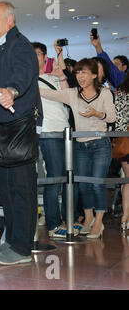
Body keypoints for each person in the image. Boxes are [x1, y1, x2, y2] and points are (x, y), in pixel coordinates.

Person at [0, 2, 41, 265]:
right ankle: (11, 241)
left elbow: (24, 74)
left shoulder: (20, 45)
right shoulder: (0, 49)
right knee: (6, 189)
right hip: (1, 129)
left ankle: (22, 249)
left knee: (22, 189)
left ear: (10, 20)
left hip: (18, 127)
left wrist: (13, 91)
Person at [40, 58, 116, 239]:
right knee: (82, 185)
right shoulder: (73, 93)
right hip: (80, 145)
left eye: (85, 73)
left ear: (94, 75)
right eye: (78, 73)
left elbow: (112, 118)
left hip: (100, 145)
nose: (81, 77)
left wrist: (96, 113)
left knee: (97, 185)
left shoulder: (105, 93)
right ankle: (88, 218)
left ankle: (99, 222)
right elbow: (48, 94)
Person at [32, 42, 74, 238]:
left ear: (44, 56)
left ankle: (64, 220)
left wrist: (62, 75)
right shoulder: (27, 81)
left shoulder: (53, 77)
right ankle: (53, 223)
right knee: (54, 178)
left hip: (64, 131)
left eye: (38, 54)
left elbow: (69, 98)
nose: (34, 57)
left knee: (66, 178)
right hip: (47, 133)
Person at [114, 73, 129, 230]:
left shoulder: (119, 92)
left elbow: (118, 120)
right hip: (126, 140)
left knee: (128, 180)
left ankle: (125, 217)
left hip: (124, 141)